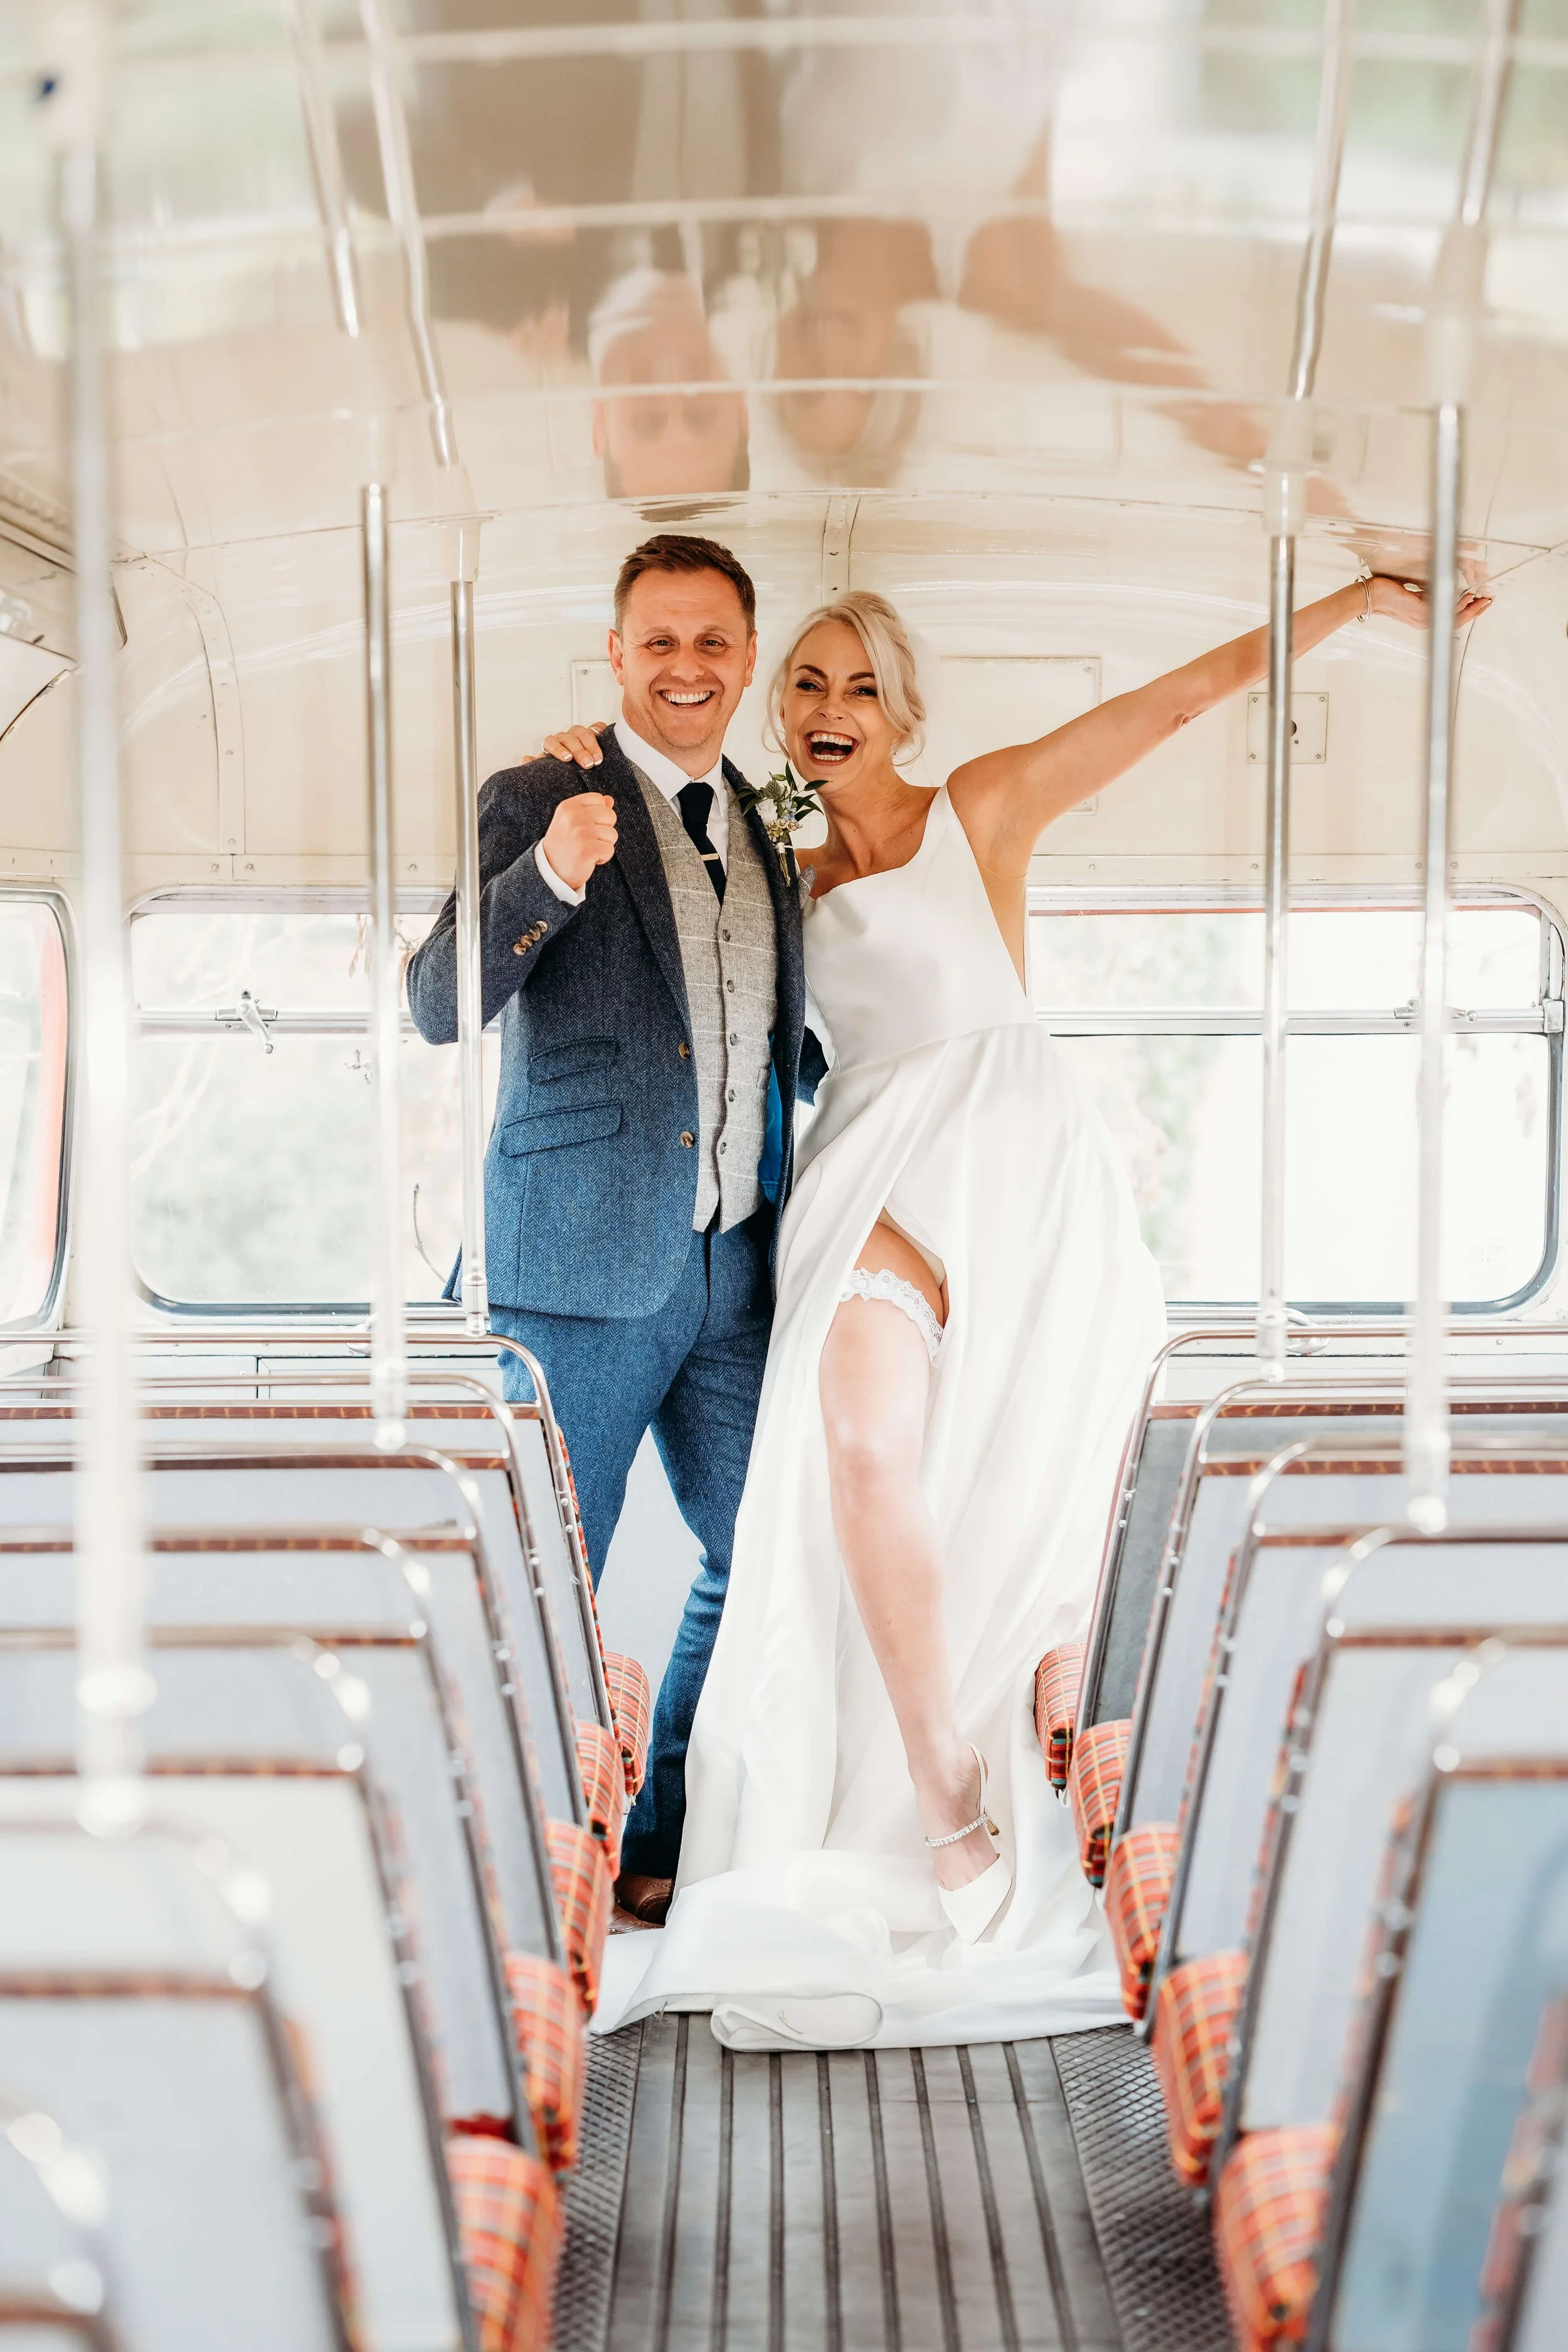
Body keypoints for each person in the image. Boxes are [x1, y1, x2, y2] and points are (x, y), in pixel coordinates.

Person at [544, 569, 1488, 2048]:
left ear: (902, 709)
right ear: (774, 713)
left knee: (1008, 1501)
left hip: (1016, 1164)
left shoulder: (978, 806)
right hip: (869, 1174)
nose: (827, 710)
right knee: (858, 1451)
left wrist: (1347, 604)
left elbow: (1171, 703)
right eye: (803, 683)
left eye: (857, 686)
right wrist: (574, 771)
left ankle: (1005, 1768)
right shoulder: (776, 873)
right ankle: (940, 1789)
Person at [406, 532, 821, 1920]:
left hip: (736, 1266)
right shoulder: (541, 791)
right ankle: (516, 1881)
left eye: (712, 643)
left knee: (765, 1543)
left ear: (745, 658)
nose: (685, 668)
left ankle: (655, 1836)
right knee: (540, 1575)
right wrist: (551, 875)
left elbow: (759, 1034)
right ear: (616, 654)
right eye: (658, 642)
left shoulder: (769, 822)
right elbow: (435, 1004)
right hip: (574, 1267)